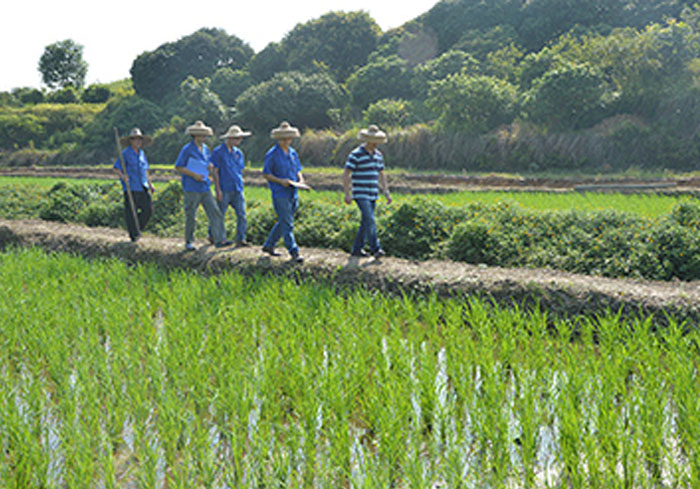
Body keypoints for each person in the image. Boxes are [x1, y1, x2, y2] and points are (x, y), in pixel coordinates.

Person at [174, 120, 232, 251]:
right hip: (191, 187)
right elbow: (179, 167)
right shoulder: (187, 149)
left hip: (205, 187)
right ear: (195, 136)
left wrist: (209, 167)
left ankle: (220, 239)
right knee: (191, 216)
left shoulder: (206, 149)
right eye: (202, 135)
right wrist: (193, 174)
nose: (204, 138)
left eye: (205, 135)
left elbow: (207, 164)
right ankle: (189, 241)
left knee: (215, 212)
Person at [261, 121, 307, 263]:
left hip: (293, 191)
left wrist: (301, 180)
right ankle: (294, 251)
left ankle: (269, 245)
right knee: (287, 223)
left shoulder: (293, 153)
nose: (287, 141)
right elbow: (266, 174)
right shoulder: (272, 154)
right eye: (284, 138)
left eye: (289, 138)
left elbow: (298, 170)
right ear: (279, 139)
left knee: (284, 220)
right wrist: (281, 181)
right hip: (280, 192)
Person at [343, 124, 392, 258]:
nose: (376, 143)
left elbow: (381, 174)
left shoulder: (378, 155)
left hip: (373, 193)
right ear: (367, 140)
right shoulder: (356, 154)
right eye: (374, 141)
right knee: (370, 219)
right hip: (360, 192)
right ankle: (376, 248)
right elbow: (346, 173)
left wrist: (386, 191)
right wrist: (347, 193)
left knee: (366, 221)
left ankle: (356, 249)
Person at [210, 124, 252, 247]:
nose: (239, 140)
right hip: (224, 188)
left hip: (237, 187)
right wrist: (218, 189)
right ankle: (214, 236)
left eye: (240, 138)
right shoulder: (218, 152)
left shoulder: (239, 153)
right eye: (237, 138)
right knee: (220, 214)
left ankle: (240, 239)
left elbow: (240, 170)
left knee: (242, 214)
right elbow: (215, 171)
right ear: (230, 138)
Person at [113, 127, 155, 242]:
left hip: (143, 186)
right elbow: (116, 168)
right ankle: (133, 235)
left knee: (148, 210)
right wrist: (123, 176)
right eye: (135, 139)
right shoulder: (125, 153)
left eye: (140, 139)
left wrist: (150, 184)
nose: (138, 141)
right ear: (131, 141)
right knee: (131, 212)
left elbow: (145, 170)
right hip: (131, 187)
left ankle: (137, 229)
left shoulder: (142, 153)